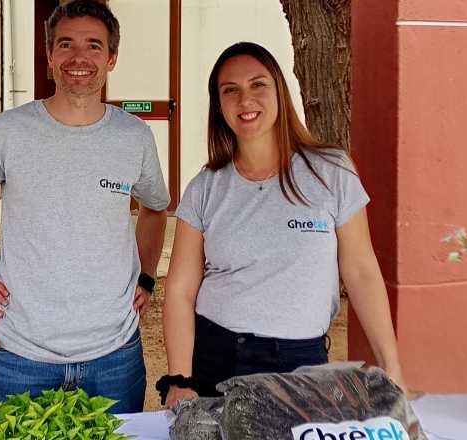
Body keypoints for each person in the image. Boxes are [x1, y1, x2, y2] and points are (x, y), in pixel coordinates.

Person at [0, 0, 170, 414]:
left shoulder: (133, 137)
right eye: (66, 45)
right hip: (20, 358)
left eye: (94, 46)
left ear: (112, 58)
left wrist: (147, 278)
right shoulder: (9, 132)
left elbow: (155, 208)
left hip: (114, 357)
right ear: (49, 56)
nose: (79, 58)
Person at [159, 41, 410, 408]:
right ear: (219, 106)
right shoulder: (205, 187)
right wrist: (179, 378)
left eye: (258, 84)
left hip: (301, 363)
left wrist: (391, 366)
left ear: (279, 91)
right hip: (218, 357)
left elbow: (360, 271)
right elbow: (180, 290)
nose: (246, 100)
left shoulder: (331, 172)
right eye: (231, 91)